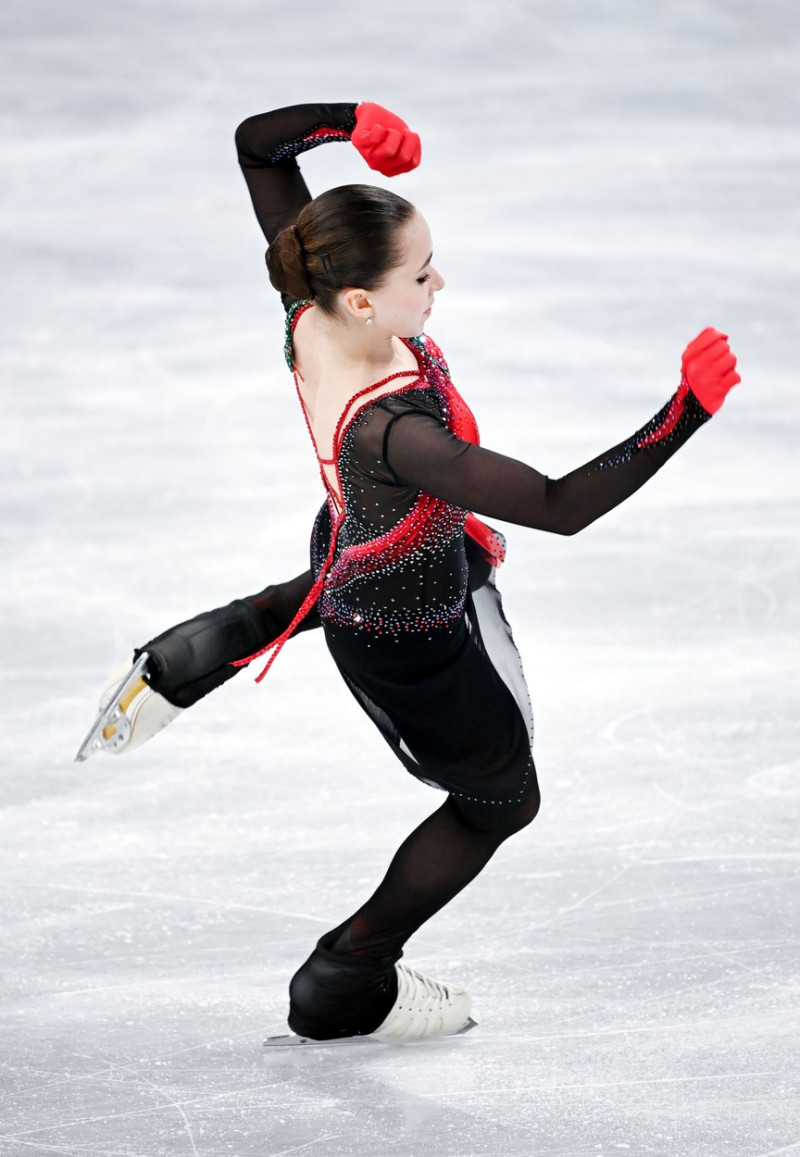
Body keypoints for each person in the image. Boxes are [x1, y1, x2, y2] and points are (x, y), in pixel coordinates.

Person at [80, 101, 740, 1043]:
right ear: (363, 298)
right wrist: (683, 414)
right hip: (410, 633)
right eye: (421, 273)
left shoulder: (308, 305)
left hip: (365, 543)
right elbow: (559, 505)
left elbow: (255, 146)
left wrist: (347, 123)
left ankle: (196, 650)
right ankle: (347, 975)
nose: (441, 283)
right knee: (505, 801)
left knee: (354, 572)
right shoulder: (401, 435)